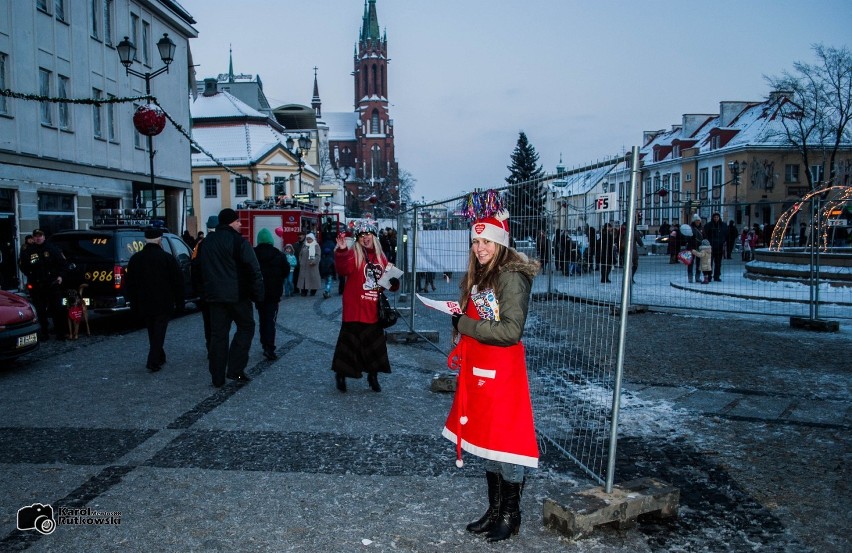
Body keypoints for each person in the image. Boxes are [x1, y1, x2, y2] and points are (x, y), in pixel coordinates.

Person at [443, 209, 539, 543]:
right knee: (486, 440)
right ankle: (494, 509)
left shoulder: (510, 276)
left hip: (503, 371)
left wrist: (463, 325)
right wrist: (457, 322)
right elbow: (474, 315)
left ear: (499, 243)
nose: (480, 248)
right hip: (481, 369)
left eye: (486, 241)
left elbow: (511, 330)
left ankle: (511, 515)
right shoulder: (481, 273)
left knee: (507, 443)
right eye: (475, 241)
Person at [197, 208, 264, 387]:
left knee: (218, 336)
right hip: (238, 296)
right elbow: (253, 269)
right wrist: (258, 295)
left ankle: (217, 376)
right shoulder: (239, 242)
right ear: (230, 223)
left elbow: (197, 270)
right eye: (238, 221)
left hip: (215, 298)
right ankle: (235, 369)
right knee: (246, 327)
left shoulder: (206, 243)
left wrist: (204, 293)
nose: (240, 224)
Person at [331, 220, 398, 393]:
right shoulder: (353, 254)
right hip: (354, 308)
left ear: (374, 237)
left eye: (368, 234)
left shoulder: (381, 258)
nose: (365, 238)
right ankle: (341, 375)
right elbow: (343, 269)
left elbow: (384, 285)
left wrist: (394, 283)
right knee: (349, 347)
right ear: (358, 239)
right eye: (361, 235)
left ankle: (373, 377)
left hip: (372, 309)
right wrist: (342, 250)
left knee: (374, 348)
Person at [126, 228, 184, 372]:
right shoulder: (167, 258)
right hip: (163, 301)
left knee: (152, 330)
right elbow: (178, 282)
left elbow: (130, 284)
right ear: (159, 240)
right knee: (159, 330)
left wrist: (132, 302)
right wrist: (180, 302)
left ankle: (160, 355)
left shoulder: (135, 259)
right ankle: (153, 360)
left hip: (144, 301)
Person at [19, 229, 68, 339]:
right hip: (37, 285)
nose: (38, 238)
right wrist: (31, 276)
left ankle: (60, 333)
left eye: (40, 236)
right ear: (33, 238)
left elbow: (63, 264)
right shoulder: (28, 250)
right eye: (36, 236)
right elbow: (23, 266)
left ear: (44, 237)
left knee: (57, 310)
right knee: (40, 311)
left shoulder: (52, 249)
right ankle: (44, 333)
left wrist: (60, 276)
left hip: (52, 284)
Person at [254, 228, 289, 361]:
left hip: (258, 292)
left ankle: (264, 342)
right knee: (270, 320)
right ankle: (269, 346)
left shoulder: (253, 253)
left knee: (262, 318)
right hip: (273, 293)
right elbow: (286, 271)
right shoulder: (278, 254)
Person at [704, 212, 726, 281]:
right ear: (713, 218)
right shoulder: (709, 225)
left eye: (717, 217)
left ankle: (717, 276)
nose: (716, 218)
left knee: (718, 263)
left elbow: (725, 234)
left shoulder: (722, 225)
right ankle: (709, 276)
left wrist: (723, 241)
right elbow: (705, 234)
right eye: (715, 217)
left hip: (719, 246)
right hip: (710, 246)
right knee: (709, 262)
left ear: (719, 218)